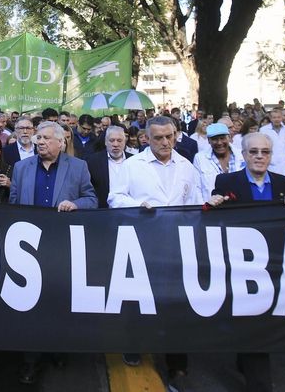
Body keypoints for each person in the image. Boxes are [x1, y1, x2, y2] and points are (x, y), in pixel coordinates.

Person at [107, 116, 201, 385]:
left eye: (169, 136)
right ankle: (135, 343)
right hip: (142, 243)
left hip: (176, 245)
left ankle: (177, 362)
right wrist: (138, 205)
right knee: (139, 298)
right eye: (158, 137)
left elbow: (193, 204)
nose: (165, 142)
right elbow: (115, 197)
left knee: (175, 303)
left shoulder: (186, 166)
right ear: (146, 138)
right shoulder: (132, 165)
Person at [9, 121, 96, 384]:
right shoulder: (22, 168)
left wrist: (75, 204)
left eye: (46, 138)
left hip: (61, 247)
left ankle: (59, 349)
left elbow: (92, 200)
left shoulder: (78, 167)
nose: (40, 142)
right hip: (28, 248)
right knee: (29, 304)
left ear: (61, 141)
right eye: (38, 138)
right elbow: (13, 204)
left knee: (58, 301)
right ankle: (30, 359)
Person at [193, 123, 245, 201]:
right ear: (208, 140)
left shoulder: (242, 155)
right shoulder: (200, 158)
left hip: (240, 207)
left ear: (229, 137)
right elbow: (197, 188)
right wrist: (204, 208)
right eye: (215, 139)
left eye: (222, 138)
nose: (219, 142)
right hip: (212, 209)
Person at [86, 126, 133, 208]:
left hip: (130, 210)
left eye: (119, 140)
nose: (115, 144)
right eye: (111, 140)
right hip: (102, 211)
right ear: (105, 142)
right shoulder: (92, 162)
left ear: (125, 141)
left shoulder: (134, 161)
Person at [259, 108, 285, 179]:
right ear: (270, 118)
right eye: (274, 117)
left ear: (281, 117)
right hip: (271, 163)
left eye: (278, 117)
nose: (276, 119)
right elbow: (262, 146)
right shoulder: (263, 130)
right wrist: (270, 159)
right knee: (274, 185)